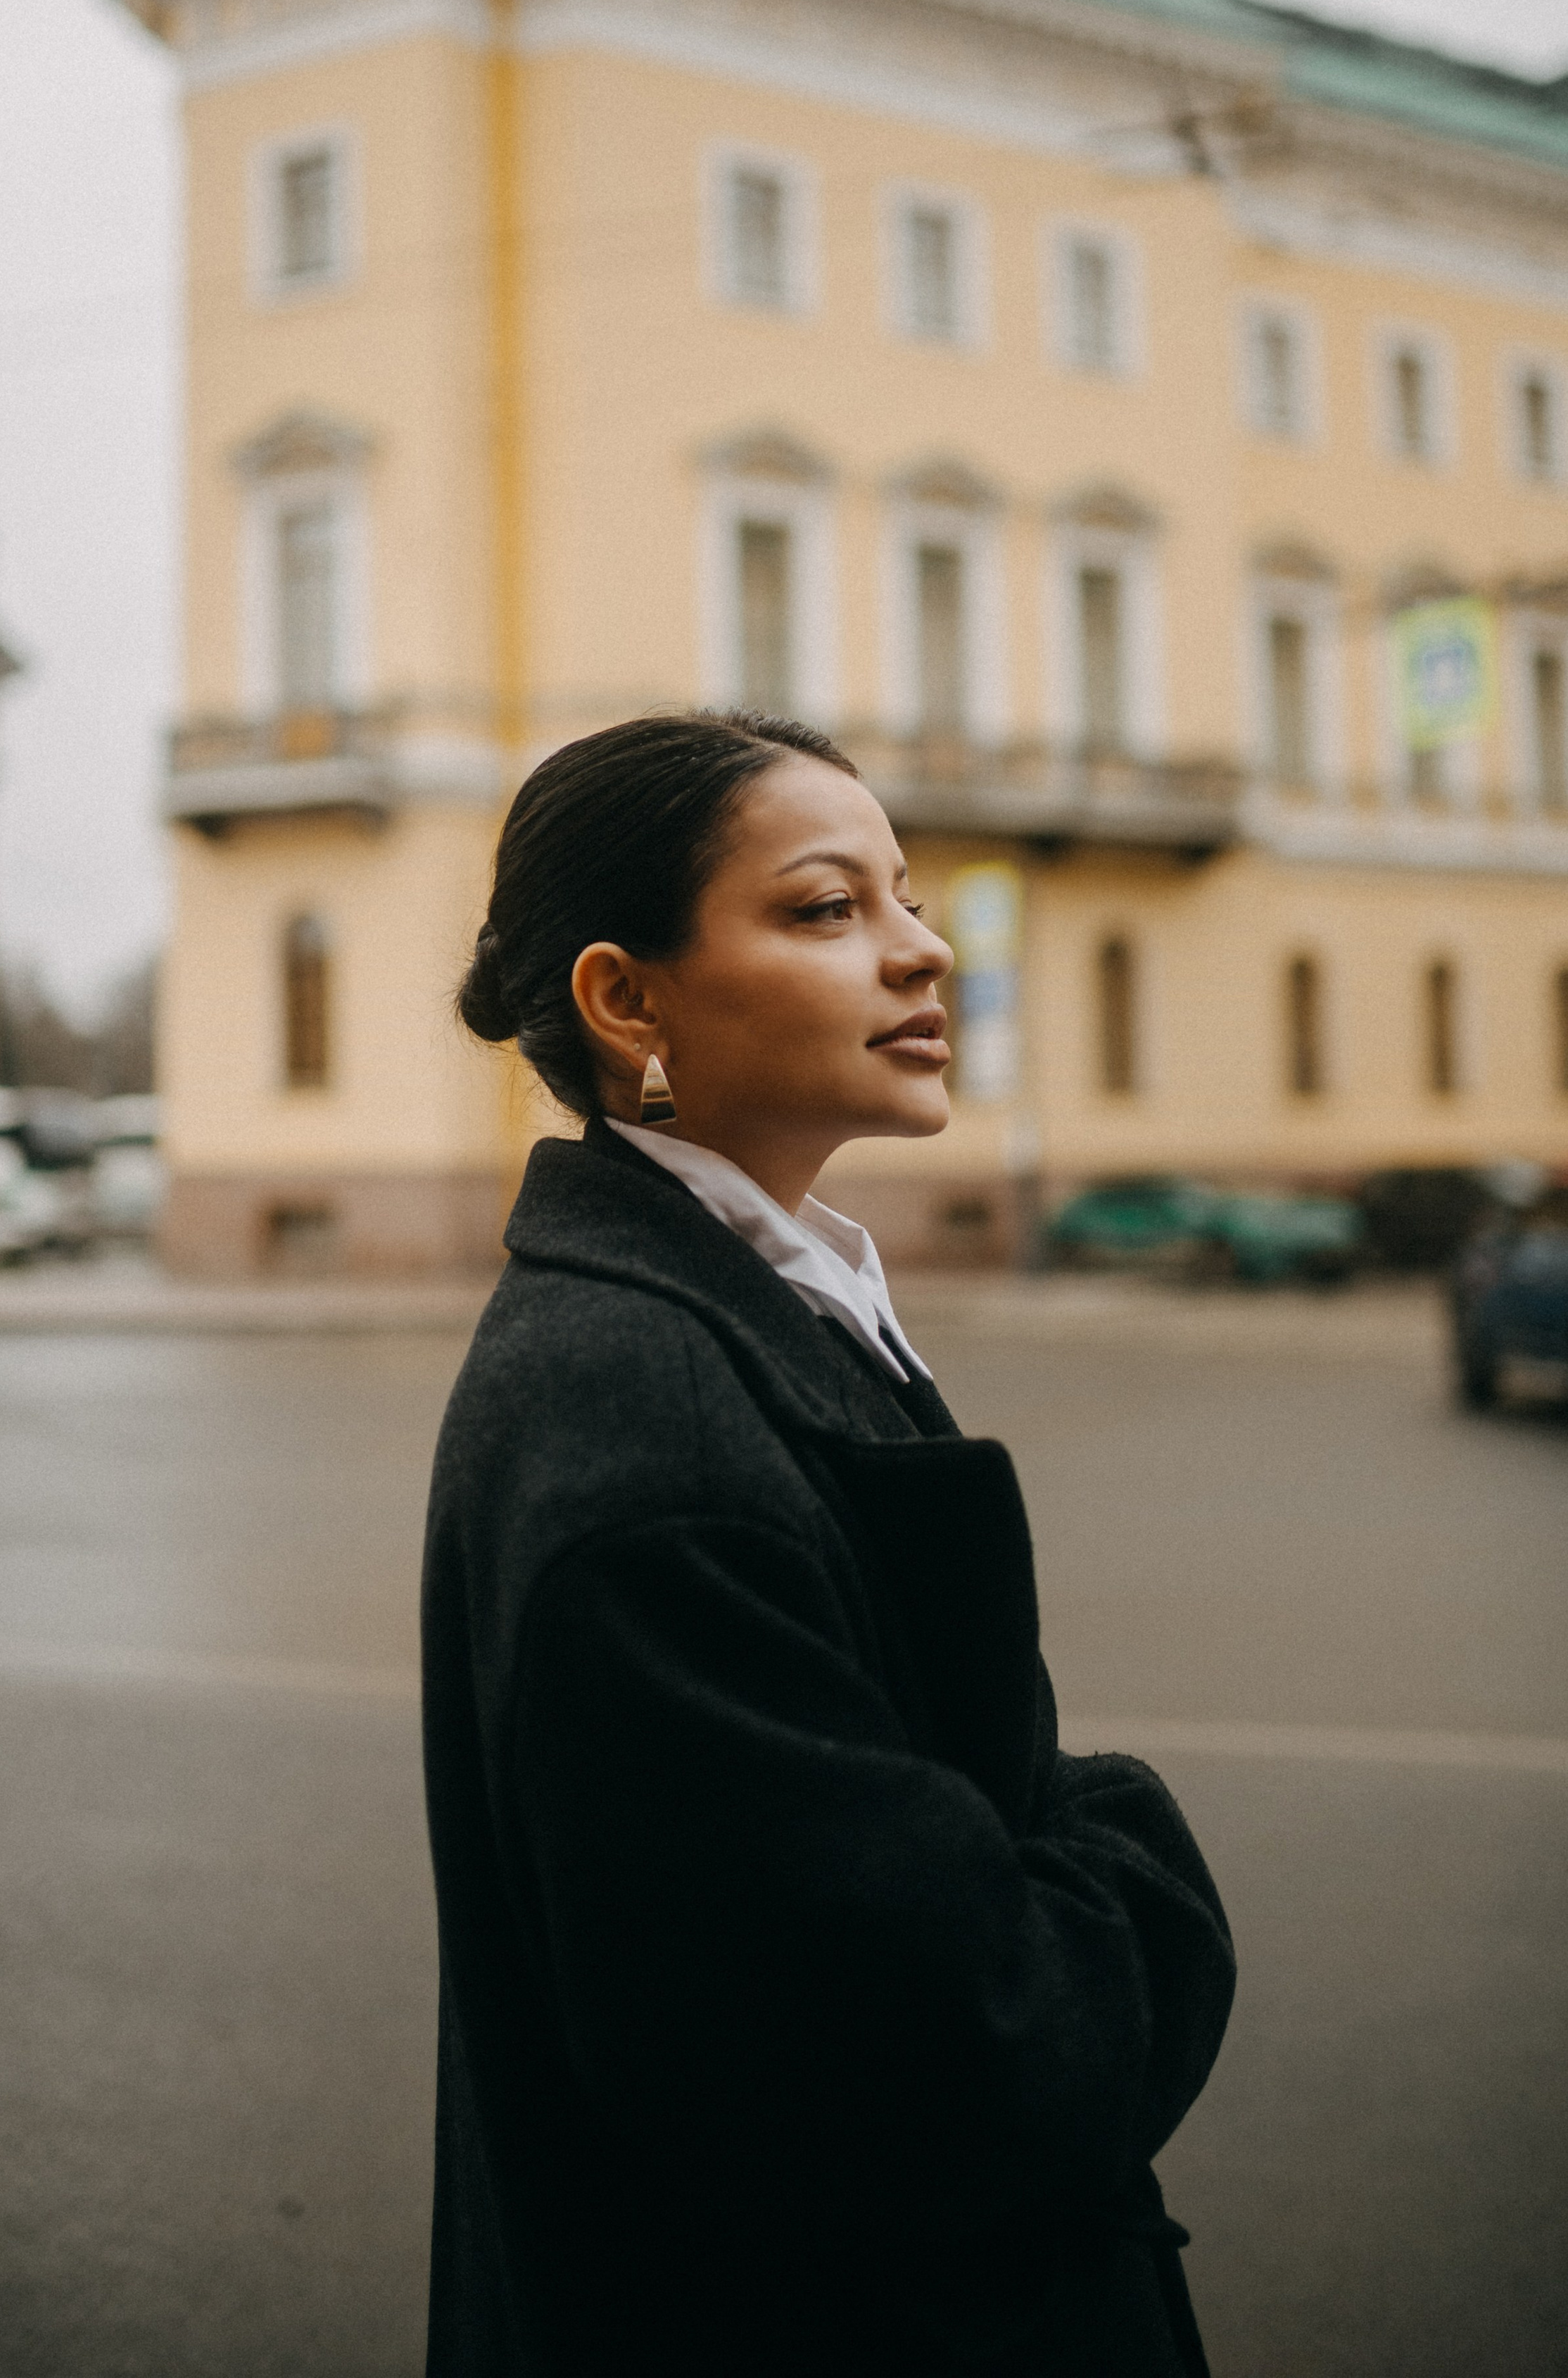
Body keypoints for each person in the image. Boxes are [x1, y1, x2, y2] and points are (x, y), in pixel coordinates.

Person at [422, 709, 1235, 2377]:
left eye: (908, 897)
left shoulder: (735, 1308)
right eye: (823, 909)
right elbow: (949, 2070)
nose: (919, 950)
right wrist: (1135, 1864)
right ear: (623, 999)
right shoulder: (645, 1435)